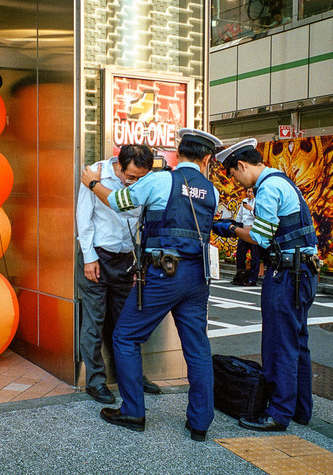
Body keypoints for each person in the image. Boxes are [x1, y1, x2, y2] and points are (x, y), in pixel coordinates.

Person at [80, 128, 222, 442]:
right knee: (198, 347)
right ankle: (200, 422)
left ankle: (133, 411)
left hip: (164, 274)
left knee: (125, 336)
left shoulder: (160, 181)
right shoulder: (211, 191)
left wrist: (92, 183)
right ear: (207, 159)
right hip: (198, 277)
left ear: (178, 153)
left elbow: (118, 201)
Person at [213, 138, 320, 432]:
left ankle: (278, 413)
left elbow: (260, 237)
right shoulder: (283, 181)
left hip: (286, 275)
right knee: (297, 343)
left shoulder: (268, 188)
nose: (237, 182)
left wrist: (230, 227)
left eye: (234, 175)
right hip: (303, 272)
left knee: (278, 344)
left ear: (242, 165)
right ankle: (300, 409)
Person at [77, 144, 161, 404]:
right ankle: (95, 381)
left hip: (126, 259)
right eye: (130, 176)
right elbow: (84, 218)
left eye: (139, 178)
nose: (133, 182)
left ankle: (132, 376)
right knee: (94, 323)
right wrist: (89, 257)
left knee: (128, 322)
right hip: (97, 257)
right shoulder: (96, 174)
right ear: (120, 165)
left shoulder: (147, 180)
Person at [232, 188, 260, 286]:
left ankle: (252, 279)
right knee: (240, 255)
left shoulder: (258, 202)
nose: (249, 194)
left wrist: (251, 209)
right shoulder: (244, 201)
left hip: (253, 232)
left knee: (255, 256)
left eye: (251, 192)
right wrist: (235, 229)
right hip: (244, 231)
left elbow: (260, 216)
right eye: (248, 191)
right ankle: (240, 277)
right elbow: (239, 217)